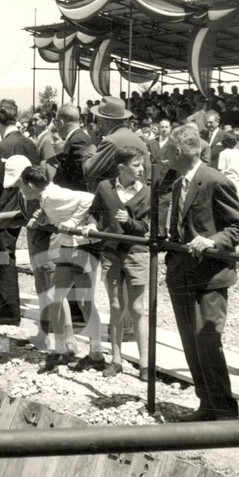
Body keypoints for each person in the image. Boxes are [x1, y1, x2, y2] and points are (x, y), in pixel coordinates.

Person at [164, 124, 239, 421]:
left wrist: (213, 241)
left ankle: (226, 414)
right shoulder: (178, 184)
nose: (163, 155)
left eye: (166, 150)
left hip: (210, 277)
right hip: (181, 275)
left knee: (207, 343)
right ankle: (208, 406)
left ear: (177, 151)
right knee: (191, 344)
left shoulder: (214, 180)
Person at [20, 164, 104, 372]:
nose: (21, 191)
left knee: (84, 301)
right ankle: (61, 350)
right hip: (69, 245)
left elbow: (90, 199)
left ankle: (96, 353)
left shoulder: (51, 196)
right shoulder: (46, 198)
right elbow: (59, 209)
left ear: (30, 185)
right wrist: (41, 216)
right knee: (55, 297)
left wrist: (74, 221)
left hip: (85, 247)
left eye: (22, 187)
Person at [88, 146, 152, 380]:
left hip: (136, 253)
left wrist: (129, 222)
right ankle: (116, 359)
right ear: (121, 168)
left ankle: (145, 363)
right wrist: (93, 225)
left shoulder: (146, 193)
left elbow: (145, 228)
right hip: (111, 253)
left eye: (142, 165)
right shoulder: (105, 188)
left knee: (136, 309)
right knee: (115, 307)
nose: (142, 169)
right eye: (136, 165)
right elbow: (93, 212)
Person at [0, 99, 39, 325]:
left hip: (4, 209)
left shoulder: (4, 146)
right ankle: (10, 310)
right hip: (24, 207)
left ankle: (8, 313)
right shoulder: (29, 143)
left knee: (3, 261)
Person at [82, 96, 150, 192]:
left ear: (105, 122)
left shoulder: (111, 141)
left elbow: (88, 171)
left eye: (98, 121)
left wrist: (93, 144)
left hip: (119, 201)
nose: (98, 126)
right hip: (138, 199)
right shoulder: (137, 139)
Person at [52, 105, 90, 192]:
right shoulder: (77, 137)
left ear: (60, 123)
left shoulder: (77, 140)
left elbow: (79, 174)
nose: (54, 126)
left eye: (55, 122)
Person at [216, 134, 239, 202]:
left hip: (227, 180)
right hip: (238, 180)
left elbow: (221, 170)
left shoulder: (223, 153)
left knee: (228, 200)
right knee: (238, 199)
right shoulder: (238, 152)